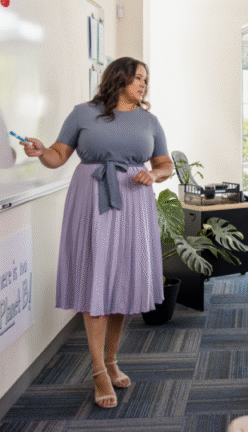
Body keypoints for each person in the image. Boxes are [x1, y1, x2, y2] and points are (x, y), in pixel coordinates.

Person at [18, 57, 173, 409]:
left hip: (134, 202)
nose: (143, 84)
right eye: (138, 78)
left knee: (122, 283)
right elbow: (57, 156)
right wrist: (41, 152)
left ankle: (112, 359)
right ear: (119, 78)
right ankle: (98, 369)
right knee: (96, 281)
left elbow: (165, 164)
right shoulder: (83, 113)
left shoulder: (149, 121)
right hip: (91, 202)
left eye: (146, 79)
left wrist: (154, 175)